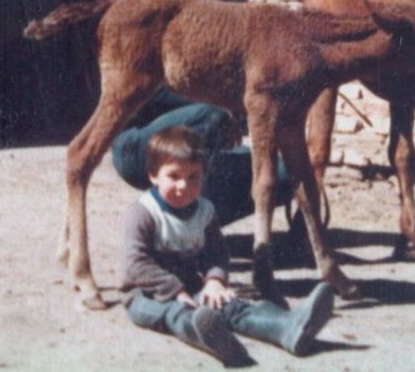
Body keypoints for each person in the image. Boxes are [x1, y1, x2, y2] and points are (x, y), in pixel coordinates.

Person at [111, 0, 292, 226]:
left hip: (202, 142)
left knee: (286, 170)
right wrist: (221, 104)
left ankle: (193, 225)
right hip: (141, 143)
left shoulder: (225, 12)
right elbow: (142, 92)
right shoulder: (153, 11)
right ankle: (172, 224)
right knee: (211, 114)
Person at [120, 126, 334, 367]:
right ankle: (213, 340)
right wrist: (175, 290)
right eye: (174, 176)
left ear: (204, 176)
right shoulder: (143, 212)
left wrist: (215, 280)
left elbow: (217, 253)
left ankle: (288, 327)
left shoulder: (205, 211)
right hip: (146, 295)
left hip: (193, 286)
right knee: (175, 314)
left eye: (194, 177)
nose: (184, 186)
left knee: (230, 306)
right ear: (153, 175)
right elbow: (135, 264)